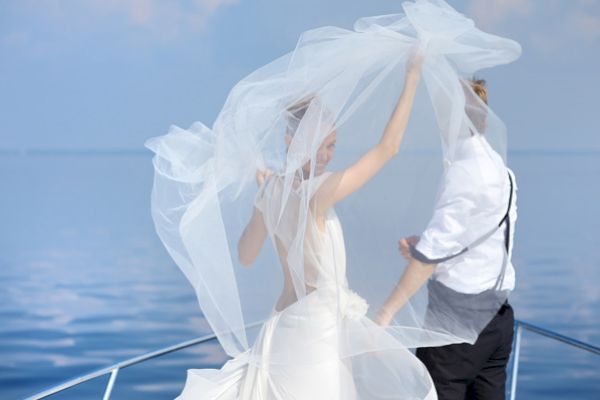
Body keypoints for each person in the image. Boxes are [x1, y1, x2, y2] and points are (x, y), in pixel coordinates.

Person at [376, 79, 518, 400]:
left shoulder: (463, 171)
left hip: (455, 330)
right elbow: (480, 242)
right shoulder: (502, 170)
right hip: (498, 322)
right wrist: (423, 244)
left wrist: (385, 315)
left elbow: (432, 257)